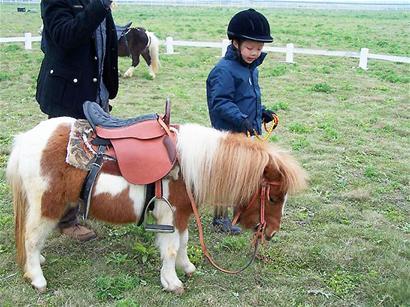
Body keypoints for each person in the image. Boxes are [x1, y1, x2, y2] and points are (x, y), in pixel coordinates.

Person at [36, 0, 119, 241]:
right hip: (69, 93)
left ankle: (81, 202)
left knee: (92, 152)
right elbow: (65, 36)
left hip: (95, 92)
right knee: (68, 158)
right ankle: (65, 220)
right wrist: (100, 6)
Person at [206, 8, 277, 234]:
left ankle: (240, 211)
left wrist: (262, 112)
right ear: (235, 43)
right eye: (249, 47)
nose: (254, 53)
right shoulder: (224, 70)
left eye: (259, 48)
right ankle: (219, 219)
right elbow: (221, 102)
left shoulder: (250, 68)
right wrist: (241, 118)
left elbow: (246, 98)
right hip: (229, 134)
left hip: (245, 131)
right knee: (226, 177)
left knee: (243, 175)